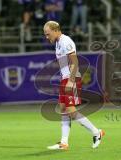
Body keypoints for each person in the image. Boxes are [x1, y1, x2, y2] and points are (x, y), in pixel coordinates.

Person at [43, 21, 105, 150]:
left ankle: (96, 132)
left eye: (48, 34)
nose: (46, 37)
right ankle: (64, 143)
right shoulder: (58, 43)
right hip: (65, 78)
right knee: (63, 109)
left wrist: (71, 81)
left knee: (71, 111)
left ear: (55, 30)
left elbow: (75, 62)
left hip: (72, 78)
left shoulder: (66, 41)